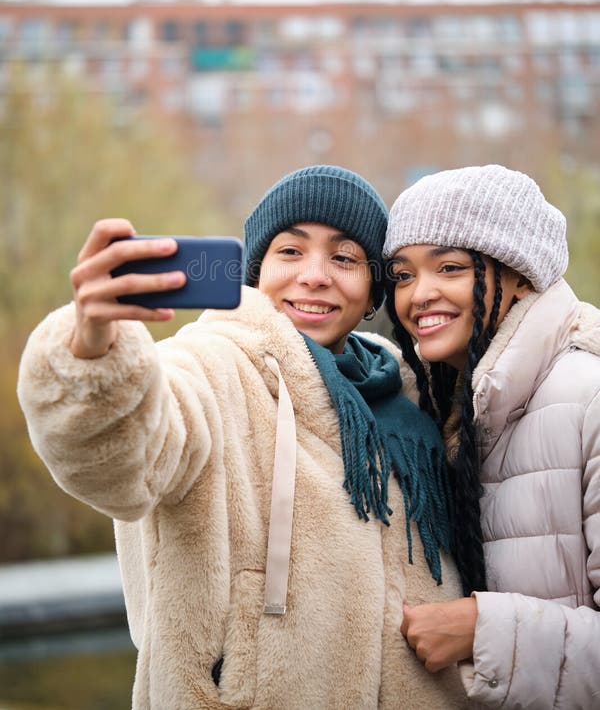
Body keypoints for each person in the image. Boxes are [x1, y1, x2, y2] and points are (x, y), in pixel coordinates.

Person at [18, 165, 468, 710]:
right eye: (290, 252)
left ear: (373, 286)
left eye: (344, 258)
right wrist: (91, 349)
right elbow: (120, 460)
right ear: (256, 270)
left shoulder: (410, 395)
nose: (316, 275)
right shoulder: (212, 365)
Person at [382, 163, 600, 709]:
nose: (419, 295)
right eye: (403, 275)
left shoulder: (588, 395)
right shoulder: (446, 410)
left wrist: (484, 630)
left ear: (522, 274)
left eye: (450, 267)